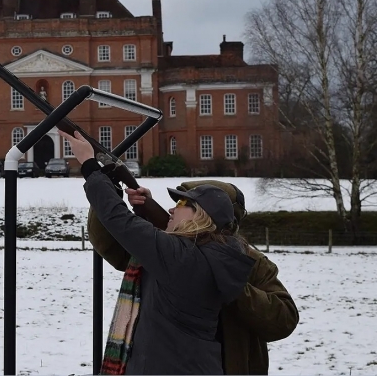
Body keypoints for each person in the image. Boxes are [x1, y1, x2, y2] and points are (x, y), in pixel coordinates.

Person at [59, 130, 256, 375]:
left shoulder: (182, 256)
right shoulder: (212, 254)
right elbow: (163, 240)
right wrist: (147, 208)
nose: (173, 209)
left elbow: (120, 221)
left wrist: (89, 165)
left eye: (184, 204)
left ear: (201, 217)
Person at [87, 178, 299, 374]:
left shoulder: (251, 262)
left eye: (182, 204)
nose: (173, 209)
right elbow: (112, 248)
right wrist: (131, 205)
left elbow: (284, 320)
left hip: (232, 365)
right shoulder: (168, 249)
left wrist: (230, 283)